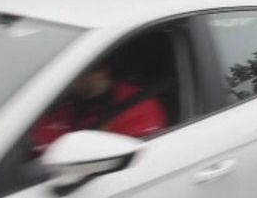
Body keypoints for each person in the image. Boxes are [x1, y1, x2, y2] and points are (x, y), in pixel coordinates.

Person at [31, 63, 169, 154]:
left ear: (100, 72)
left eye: (72, 73)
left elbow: (115, 159)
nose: (61, 80)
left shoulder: (140, 109)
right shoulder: (64, 101)